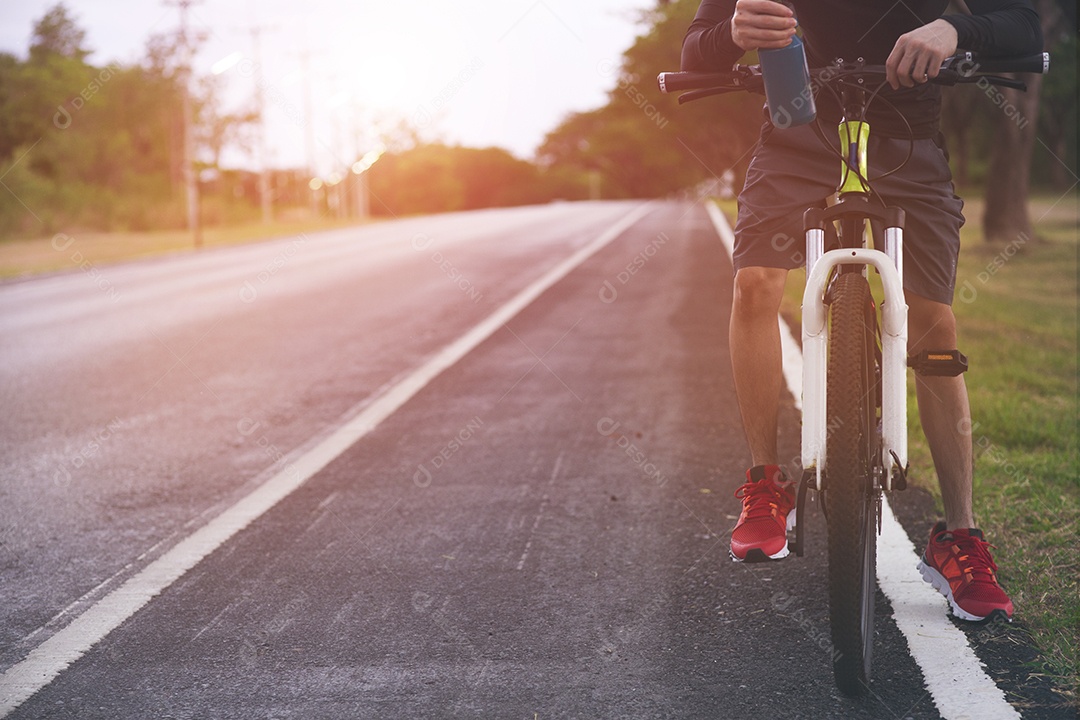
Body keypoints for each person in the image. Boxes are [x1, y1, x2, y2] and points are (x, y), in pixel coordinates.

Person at [682, 0, 1041, 621]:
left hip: (907, 139)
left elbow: (1022, 22)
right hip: (795, 136)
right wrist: (732, 35)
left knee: (934, 321)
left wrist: (954, 28)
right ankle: (765, 485)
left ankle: (958, 535)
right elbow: (695, 48)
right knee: (755, 285)